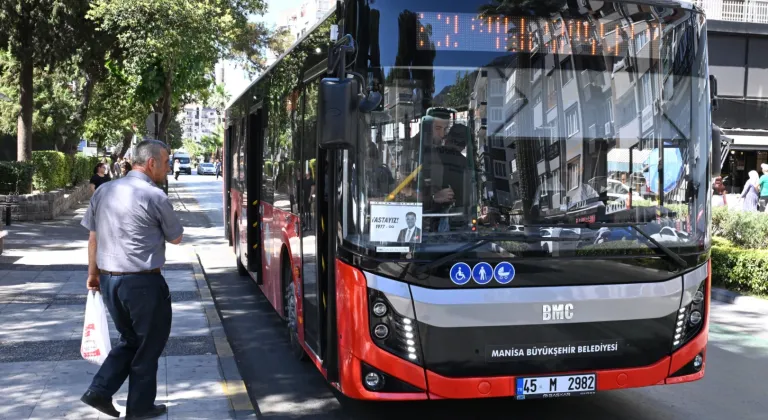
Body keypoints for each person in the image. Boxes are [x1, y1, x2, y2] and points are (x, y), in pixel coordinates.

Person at [79, 139, 183, 419]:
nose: (168, 167)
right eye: (166, 162)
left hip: (110, 281)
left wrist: (93, 274)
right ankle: (139, 408)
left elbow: (93, 237)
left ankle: (99, 391)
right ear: (151, 163)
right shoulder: (155, 196)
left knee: (131, 339)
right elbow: (176, 237)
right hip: (143, 284)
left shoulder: (104, 190)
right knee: (149, 345)